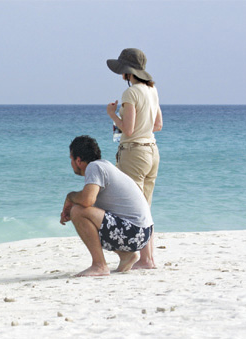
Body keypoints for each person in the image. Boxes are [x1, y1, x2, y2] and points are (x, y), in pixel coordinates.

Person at [60, 136, 154, 277]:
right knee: (84, 212)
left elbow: (87, 200)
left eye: (71, 159)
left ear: (78, 160)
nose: (71, 163)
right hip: (143, 234)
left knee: (78, 211)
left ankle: (99, 265)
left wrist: (70, 197)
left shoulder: (94, 167)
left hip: (134, 232)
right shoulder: (105, 166)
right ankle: (125, 256)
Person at [106, 48, 162, 269]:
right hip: (152, 151)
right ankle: (148, 258)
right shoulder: (152, 90)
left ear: (127, 72)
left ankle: (146, 259)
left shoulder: (130, 94)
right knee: (145, 205)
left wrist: (112, 114)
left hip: (134, 153)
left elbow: (127, 130)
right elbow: (158, 125)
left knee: (135, 206)